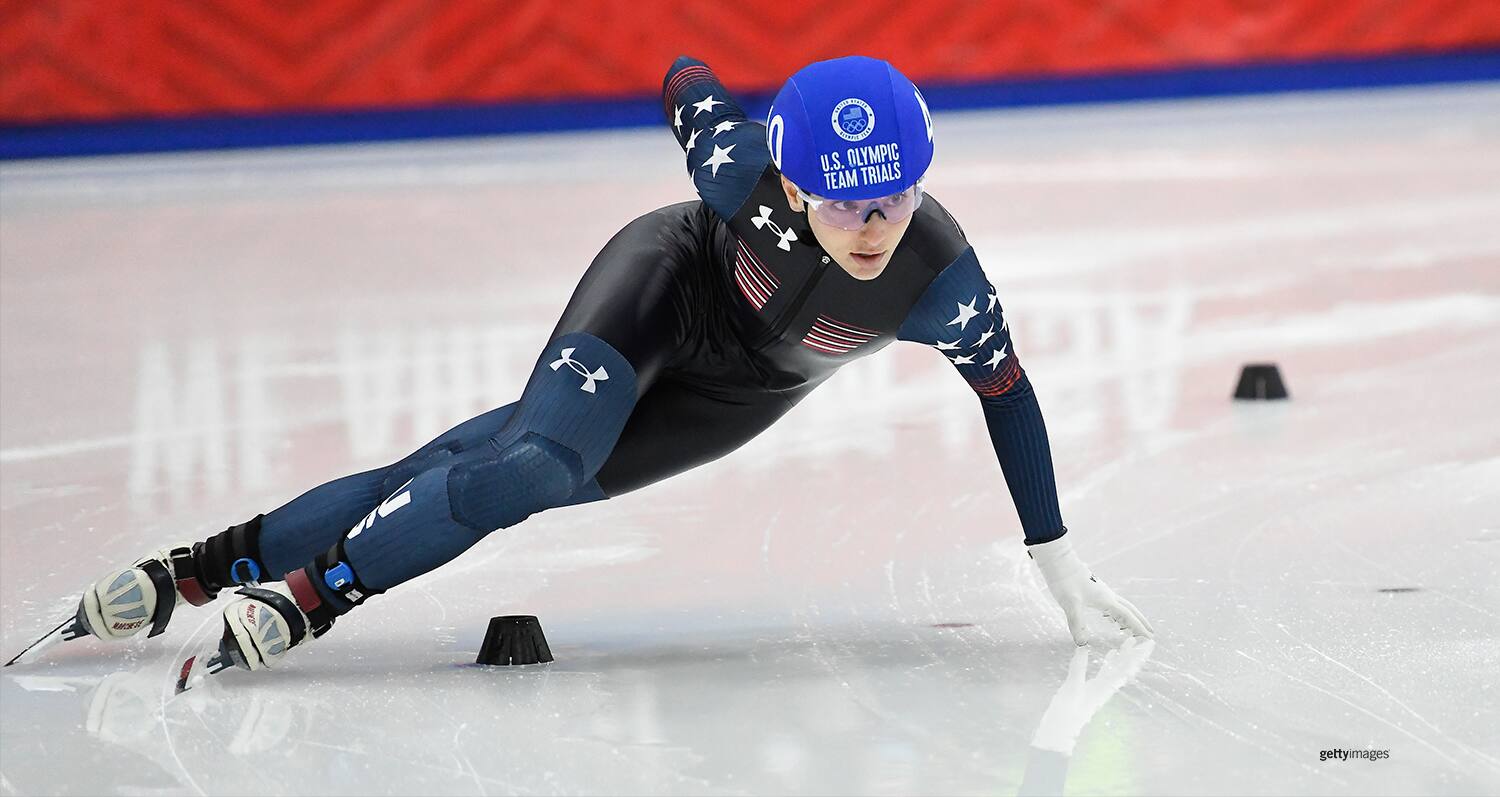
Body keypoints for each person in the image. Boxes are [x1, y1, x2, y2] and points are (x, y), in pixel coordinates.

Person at [63, 55, 1153, 674]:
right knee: (533, 463)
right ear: (789, 183)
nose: (872, 225)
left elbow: (1008, 398)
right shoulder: (739, 183)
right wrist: (694, 82)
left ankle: (194, 571)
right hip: (658, 290)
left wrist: (1053, 556)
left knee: (472, 458)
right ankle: (314, 593)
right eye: (842, 200)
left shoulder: (941, 280)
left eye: (895, 197)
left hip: (745, 390)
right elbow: (689, 85)